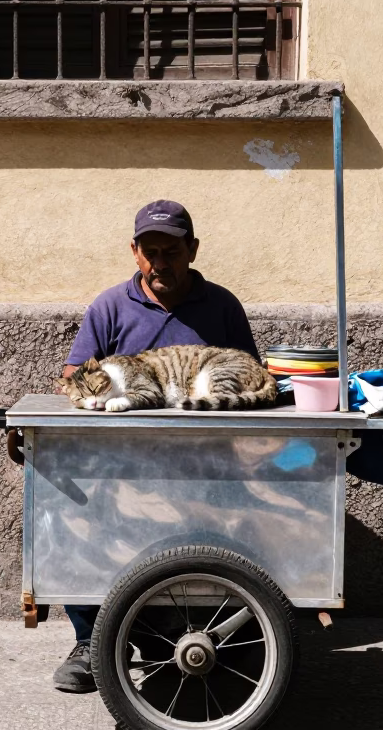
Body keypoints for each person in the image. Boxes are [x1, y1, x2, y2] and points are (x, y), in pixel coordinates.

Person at [52, 199, 260, 693]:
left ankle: (191, 633)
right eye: (150, 252)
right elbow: (72, 374)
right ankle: (93, 640)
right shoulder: (109, 305)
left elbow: (249, 377)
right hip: (121, 461)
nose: (160, 263)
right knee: (73, 519)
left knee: (229, 530)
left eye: (171, 251)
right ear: (135, 251)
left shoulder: (222, 305)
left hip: (205, 462)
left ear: (192, 250)